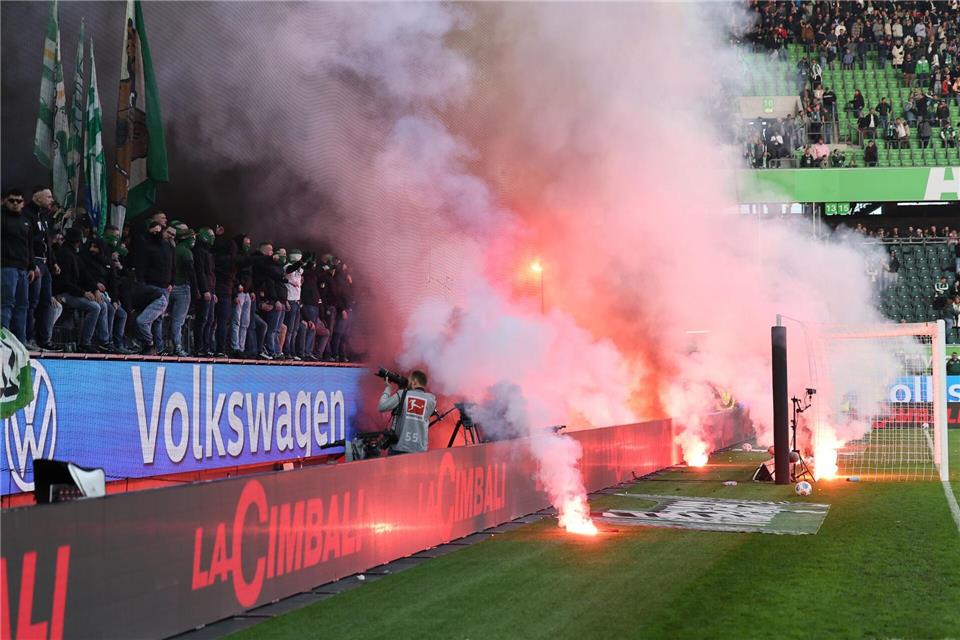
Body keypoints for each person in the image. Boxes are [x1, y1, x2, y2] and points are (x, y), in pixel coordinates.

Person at [53, 228, 103, 353]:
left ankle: (104, 342)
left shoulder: (74, 255)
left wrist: (95, 289)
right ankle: (85, 343)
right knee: (95, 307)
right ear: (77, 242)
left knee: (102, 304)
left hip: (73, 292)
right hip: (64, 293)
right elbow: (65, 283)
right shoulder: (65, 255)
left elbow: (85, 274)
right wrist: (83, 293)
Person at [1, 189, 35, 342]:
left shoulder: (26, 220)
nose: (15, 203)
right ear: (5, 201)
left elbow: (29, 245)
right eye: (12, 200)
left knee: (22, 305)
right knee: (6, 303)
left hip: (23, 268)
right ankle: (4, 340)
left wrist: (31, 266)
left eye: (18, 201)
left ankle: (20, 341)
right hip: (6, 266)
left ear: (23, 203)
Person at [377, 370, 437, 455]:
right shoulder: (431, 401)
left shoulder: (402, 394)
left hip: (399, 448)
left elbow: (381, 407)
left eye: (409, 381)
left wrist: (388, 389)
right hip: (420, 450)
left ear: (414, 382)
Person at [192, 228, 217, 356]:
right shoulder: (199, 251)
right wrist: (205, 290)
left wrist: (213, 291)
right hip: (205, 291)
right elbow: (200, 272)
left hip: (210, 290)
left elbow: (211, 274)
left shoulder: (208, 252)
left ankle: (207, 347)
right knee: (202, 319)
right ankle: (199, 347)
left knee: (210, 320)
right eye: (211, 236)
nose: (213, 239)